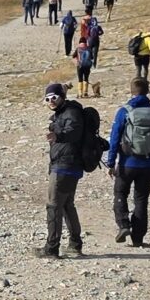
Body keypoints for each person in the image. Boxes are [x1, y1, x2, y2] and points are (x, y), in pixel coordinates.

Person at [39, 80, 99, 257]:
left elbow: (74, 132)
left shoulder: (71, 112)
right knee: (66, 206)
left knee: (54, 206)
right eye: (47, 98)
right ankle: (75, 244)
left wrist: (58, 135)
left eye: (54, 97)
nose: (51, 101)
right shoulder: (63, 112)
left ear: (62, 97)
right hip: (66, 165)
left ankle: (51, 248)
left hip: (65, 166)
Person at [107, 81, 150, 246]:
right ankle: (138, 238)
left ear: (131, 91)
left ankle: (123, 224)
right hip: (148, 164)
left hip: (127, 163)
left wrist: (111, 162)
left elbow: (114, 139)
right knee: (141, 199)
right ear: (148, 91)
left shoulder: (124, 112)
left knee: (120, 194)